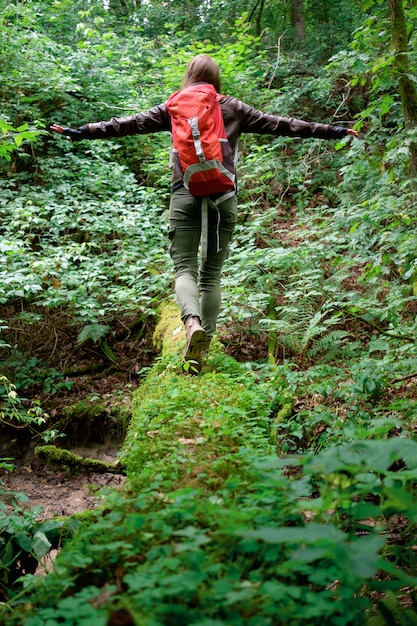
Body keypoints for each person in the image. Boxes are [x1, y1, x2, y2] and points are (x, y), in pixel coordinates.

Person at [50, 54, 358, 373]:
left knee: (184, 266)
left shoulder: (173, 106)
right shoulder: (234, 107)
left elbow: (126, 125)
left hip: (184, 193)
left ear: (189, 76)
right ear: (215, 80)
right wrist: (333, 131)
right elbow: (283, 125)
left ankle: (192, 325)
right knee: (211, 273)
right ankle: (203, 348)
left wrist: (82, 131)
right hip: (224, 196)